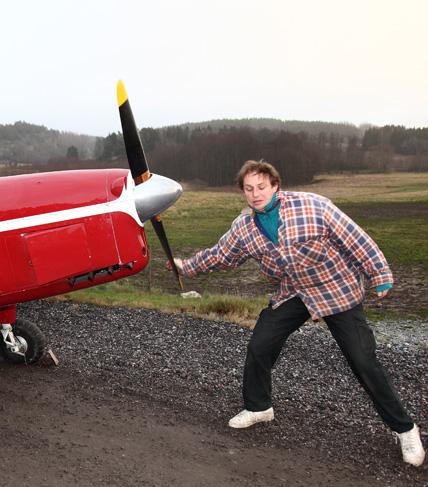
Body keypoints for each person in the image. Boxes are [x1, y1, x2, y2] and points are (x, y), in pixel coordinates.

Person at [169, 159, 425, 467]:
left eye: (261, 187)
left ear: (275, 185)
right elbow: (221, 255)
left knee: (362, 360)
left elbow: (354, 237)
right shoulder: (244, 227)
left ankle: (405, 428)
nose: (255, 194)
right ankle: (259, 406)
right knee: (261, 343)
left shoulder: (313, 206)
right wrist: (187, 266)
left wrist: (379, 273)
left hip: (337, 288)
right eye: (249, 189)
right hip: (295, 292)